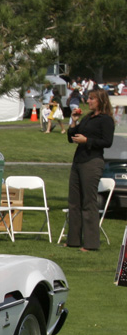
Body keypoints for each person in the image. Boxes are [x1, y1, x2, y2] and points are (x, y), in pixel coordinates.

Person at [65, 88, 114, 251]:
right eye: (88, 98)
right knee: (74, 201)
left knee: (89, 202)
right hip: (78, 161)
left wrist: (87, 140)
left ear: (100, 100)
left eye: (92, 99)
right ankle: (73, 240)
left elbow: (107, 142)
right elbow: (72, 137)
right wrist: (74, 121)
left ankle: (91, 244)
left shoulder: (105, 120)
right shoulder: (87, 118)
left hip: (92, 162)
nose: (88, 101)